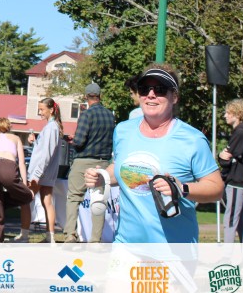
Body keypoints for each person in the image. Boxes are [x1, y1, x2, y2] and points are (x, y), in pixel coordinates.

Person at [84, 65, 224, 244]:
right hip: (126, 244)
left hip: (174, 248)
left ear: (174, 97)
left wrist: (182, 188)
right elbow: (121, 168)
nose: (151, 94)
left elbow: (216, 189)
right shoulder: (123, 131)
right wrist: (102, 177)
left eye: (160, 89)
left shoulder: (192, 139)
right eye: (144, 89)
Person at [64, 81, 115, 242]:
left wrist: (72, 140)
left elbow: (79, 141)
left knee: (74, 198)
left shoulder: (86, 114)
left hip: (83, 161)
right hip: (103, 164)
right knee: (98, 200)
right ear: (100, 96)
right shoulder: (110, 116)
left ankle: (70, 235)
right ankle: (95, 240)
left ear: (86, 97)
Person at [0, 117, 34, 242]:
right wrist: (25, 185)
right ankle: (1, 202)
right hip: (9, 167)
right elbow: (21, 163)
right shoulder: (16, 138)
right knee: (28, 196)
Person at [219, 98, 243, 244]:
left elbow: (225, 158)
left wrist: (222, 157)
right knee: (240, 220)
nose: (225, 116)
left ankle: (227, 254)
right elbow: (227, 156)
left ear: (237, 114)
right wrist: (224, 157)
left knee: (231, 218)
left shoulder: (240, 133)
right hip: (241, 181)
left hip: (236, 180)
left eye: (228, 113)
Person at [28, 97, 63, 243]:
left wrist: (37, 174)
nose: (40, 113)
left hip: (42, 172)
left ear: (51, 109)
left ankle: (24, 233)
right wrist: (35, 141)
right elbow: (45, 150)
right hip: (45, 172)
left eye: (42, 109)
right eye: (39, 110)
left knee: (26, 198)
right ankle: (50, 237)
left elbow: (47, 153)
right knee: (47, 202)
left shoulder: (51, 127)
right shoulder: (52, 127)